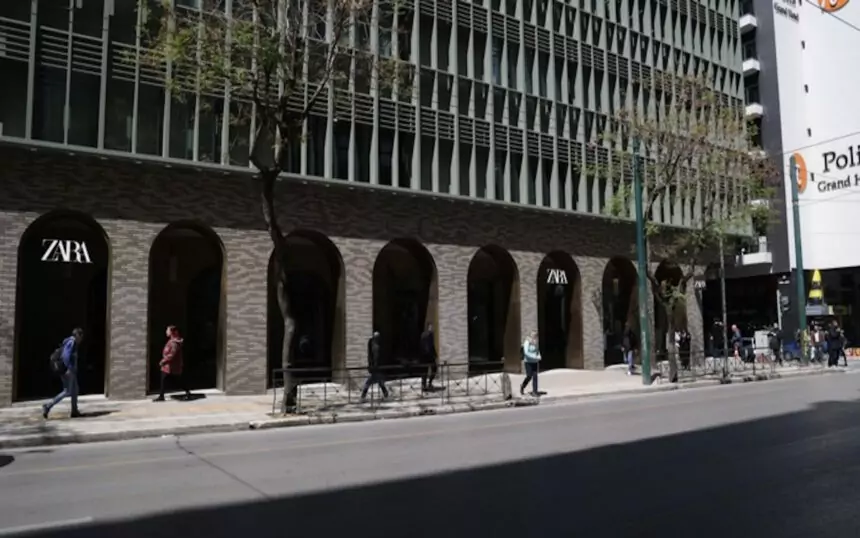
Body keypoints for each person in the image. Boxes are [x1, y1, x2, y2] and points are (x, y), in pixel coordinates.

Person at [42, 328, 84, 419]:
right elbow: (66, 356)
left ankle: (74, 411)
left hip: (71, 371)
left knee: (75, 389)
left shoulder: (71, 342)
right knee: (67, 391)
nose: (81, 339)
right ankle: (48, 406)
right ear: (77, 335)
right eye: (81, 336)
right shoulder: (71, 342)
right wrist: (69, 368)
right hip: (68, 371)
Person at [154, 325, 190, 401]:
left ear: (172, 332)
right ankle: (161, 396)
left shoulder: (174, 343)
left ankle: (187, 392)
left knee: (177, 380)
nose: (166, 332)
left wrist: (163, 361)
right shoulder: (171, 341)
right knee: (163, 379)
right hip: (167, 366)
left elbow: (172, 354)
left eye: (168, 330)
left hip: (172, 366)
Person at [361, 331, 389, 401]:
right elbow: (372, 356)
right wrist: (372, 365)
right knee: (376, 381)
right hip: (374, 367)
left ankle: (363, 396)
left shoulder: (377, 345)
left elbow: (376, 356)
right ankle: (385, 394)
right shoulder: (373, 344)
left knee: (370, 382)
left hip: (376, 367)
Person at [520, 330, 542, 396]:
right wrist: (535, 357)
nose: (534, 336)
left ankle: (534, 391)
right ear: (530, 335)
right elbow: (526, 353)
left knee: (535, 376)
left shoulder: (535, 342)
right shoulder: (527, 342)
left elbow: (537, 351)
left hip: (535, 362)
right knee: (529, 376)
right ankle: (523, 386)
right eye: (533, 335)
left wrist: (539, 356)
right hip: (528, 362)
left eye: (535, 335)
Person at [419, 323, 438, 391]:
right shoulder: (430, 335)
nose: (432, 328)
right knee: (434, 368)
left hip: (423, 356)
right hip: (429, 355)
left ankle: (424, 385)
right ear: (429, 328)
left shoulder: (422, 334)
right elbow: (430, 346)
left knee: (424, 370)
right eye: (431, 327)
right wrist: (434, 355)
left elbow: (421, 345)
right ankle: (429, 383)